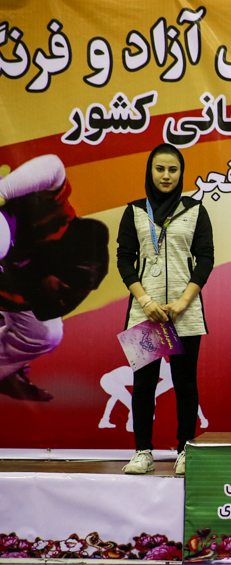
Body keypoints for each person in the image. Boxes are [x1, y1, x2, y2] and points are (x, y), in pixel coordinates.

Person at [116, 144, 214, 476]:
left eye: (173, 169)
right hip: (146, 312)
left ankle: (185, 450)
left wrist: (183, 302)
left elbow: (206, 259)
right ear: (150, 172)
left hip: (184, 313)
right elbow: (124, 260)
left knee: (185, 384)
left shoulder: (195, 211)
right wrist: (145, 301)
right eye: (160, 169)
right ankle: (143, 452)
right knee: (144, 384)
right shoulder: (134, 212)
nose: (166, 175)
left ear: (181, 173)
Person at [0, 155, 109, 401]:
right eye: (65, 288)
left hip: (12, 288)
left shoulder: (35, 294)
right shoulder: (54, 220)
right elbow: (52, 167)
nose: (62, 298)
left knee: (44, 335)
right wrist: (2, 191)